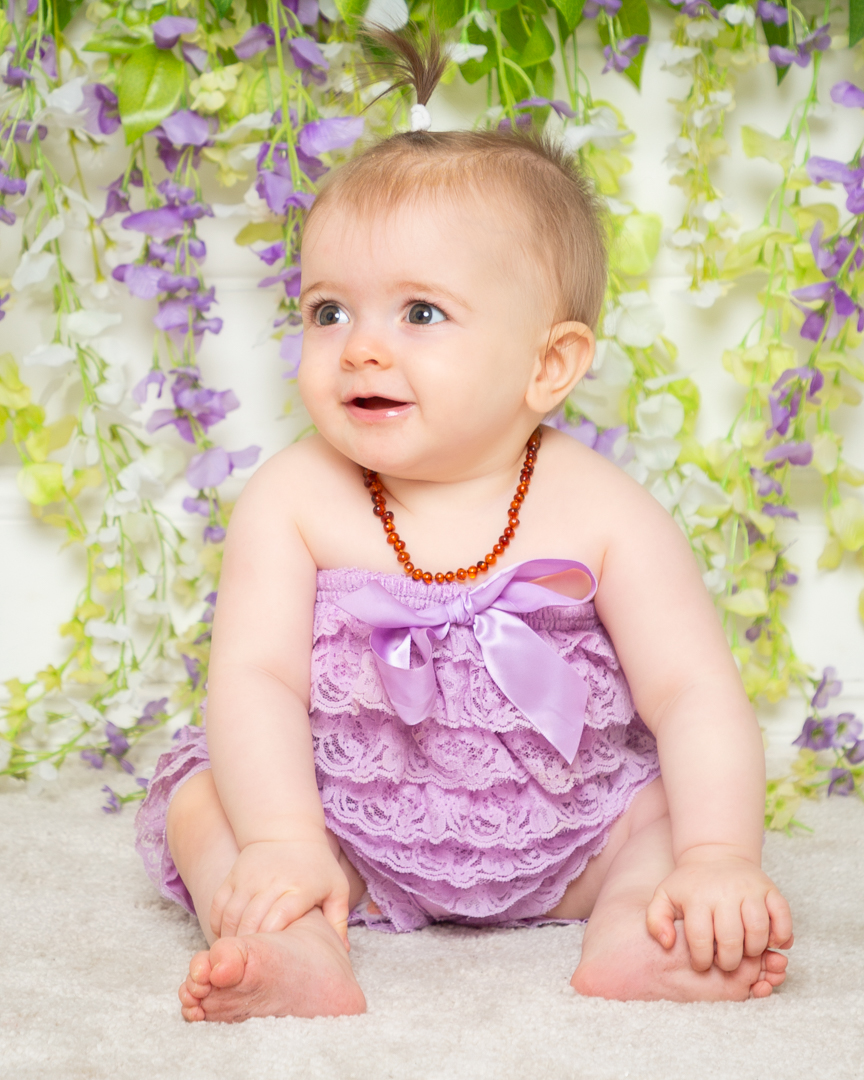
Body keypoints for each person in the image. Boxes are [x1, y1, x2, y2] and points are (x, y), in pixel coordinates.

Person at [135, 33, 793, 1024]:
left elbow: (694, 692)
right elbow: (256, 678)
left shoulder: (602, 508)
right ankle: (296, 935)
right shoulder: (292, 498)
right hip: (345, 831)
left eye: (421, 314)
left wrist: (718, 857)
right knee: (205, 800)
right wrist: (280, 839)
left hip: (571, 833)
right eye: (327, 310)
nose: (360, 347)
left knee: (661, 813)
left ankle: (639, 927)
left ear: (550, 365)